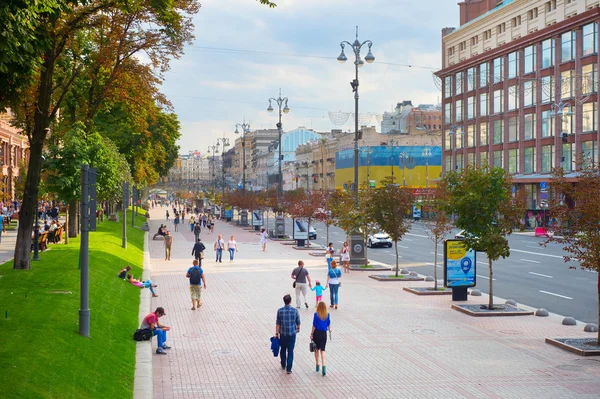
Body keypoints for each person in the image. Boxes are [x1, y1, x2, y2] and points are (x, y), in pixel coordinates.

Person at [275, 294, 301, 374]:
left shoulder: (280, 311)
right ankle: (289, 368)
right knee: (290, 351)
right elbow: (298, 321)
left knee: (283, 349)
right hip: (292, 334)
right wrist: (298, 328)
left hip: (283, 334)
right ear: (290, 301)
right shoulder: (295, 311)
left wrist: (276, 333)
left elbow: (278, 323)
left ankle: (283, 364)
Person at [310, 301, 331, 376]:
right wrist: (329, 329)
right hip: (323, 334)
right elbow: (328, 324)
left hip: (317, 333)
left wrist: (311, 333)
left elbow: (314, 325)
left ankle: (317, 365)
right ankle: (324, 366)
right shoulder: (327, 315)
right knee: (323, 350)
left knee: (316, 349)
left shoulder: (316, 315)